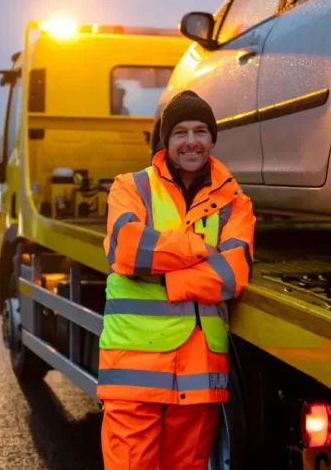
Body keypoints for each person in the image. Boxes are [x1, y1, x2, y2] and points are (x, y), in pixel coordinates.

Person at [98, 90, 256, 469]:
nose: (191, 142)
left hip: (200, 378)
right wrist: (201, 248)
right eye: (180, 132)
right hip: (134, 374)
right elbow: (128, 250)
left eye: (200, 131)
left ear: (212, 140)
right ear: (165, 142)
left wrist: (167, 279)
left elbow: (232, 275)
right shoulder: (131, 187)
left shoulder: (236, 202)